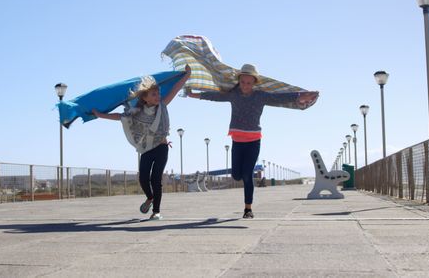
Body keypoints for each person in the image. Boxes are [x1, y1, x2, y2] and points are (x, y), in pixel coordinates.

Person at [186, 64, 317, 219]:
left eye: (249, 83)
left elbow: (279, 98)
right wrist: (193, 94)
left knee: (247, 174)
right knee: (236, 175)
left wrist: (300, 96)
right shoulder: (233, 94)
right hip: (237, 140)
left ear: (254, 83)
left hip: (254, 141)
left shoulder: (260, 96)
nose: (245, 86)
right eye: (243, 82)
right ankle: (245, 193)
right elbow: (214, 96)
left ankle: (248, 209)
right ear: (239, 81)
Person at [92, 65, 191, 220]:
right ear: (144, 97)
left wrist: (186, 76)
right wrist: (101, 115)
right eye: (153, 94)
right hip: (147, 149)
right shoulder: (137, 112)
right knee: (143, 178)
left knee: (156, 178)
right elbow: (121, 117)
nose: (157, 96)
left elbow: (175, 89)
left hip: (162, 147)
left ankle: (156, 211)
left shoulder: (162, 106)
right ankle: (150, 198)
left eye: (157, 93)